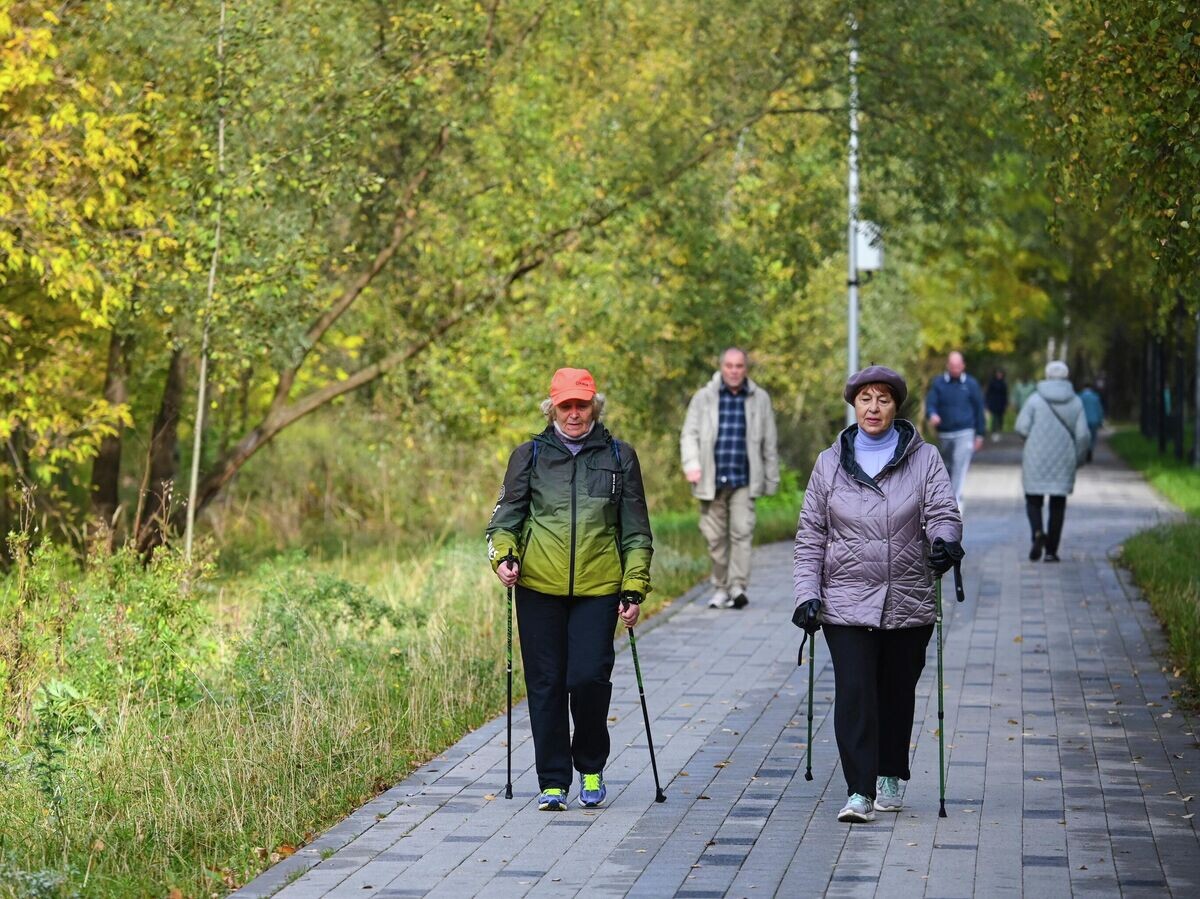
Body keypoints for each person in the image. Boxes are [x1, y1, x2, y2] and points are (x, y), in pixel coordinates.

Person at [793, 365, 963, 823]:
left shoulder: (924, 459)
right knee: (854, 693)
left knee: (896, 691)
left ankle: (890, 770)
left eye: (883, 399)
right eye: (865, 398)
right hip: (844, 601)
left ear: (896, 407)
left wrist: (945, 542)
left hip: (908, 597)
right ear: (854, 405)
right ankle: (859, 790)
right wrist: (806, 594)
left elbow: (944, 511)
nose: (873, 407)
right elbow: (811, 533)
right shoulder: (830, 463)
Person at [486, 368, 653, 811]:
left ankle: (592, 766)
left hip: (599, 587)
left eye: (582, 405)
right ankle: (554, 781)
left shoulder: (620, 456)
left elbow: (636, 532)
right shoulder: (530, 456)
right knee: (545, 684)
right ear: (552, 408)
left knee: (589, 678)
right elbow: (505, 520)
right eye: (566, 406)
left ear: (594, 406)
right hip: (539, 586)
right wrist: (504, 556)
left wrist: (633, 587)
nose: (575, 413)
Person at [680, 347, 780, 609]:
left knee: (741, 533)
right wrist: (691, 464)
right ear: (721, 367)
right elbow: (689, 434)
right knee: (715, 538)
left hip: (744, 479)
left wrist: (771, 479)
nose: (734, 371)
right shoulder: (704, 398)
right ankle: (720, 587)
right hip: (710, 480)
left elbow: (769, 442)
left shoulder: (760, 399)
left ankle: (737, 587)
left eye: (739, 366)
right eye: (729, 366)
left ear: (745, 369)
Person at [1015, 361, 1090, 562]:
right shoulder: (1076, 401)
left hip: (1035, 457)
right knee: (1058, 503)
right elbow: (1083, 435)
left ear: (1047, 376)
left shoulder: (1034, 400)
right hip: (1064, 459)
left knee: (1033, 499)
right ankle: (1051, 551)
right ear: (1066, 377)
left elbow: (1021, 427)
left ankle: (1038, 532)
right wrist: (1079, 459)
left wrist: (1033, 439)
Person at [925, 350, 985, 511]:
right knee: (947, 468)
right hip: (945, 434)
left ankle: (955, 504)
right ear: (947, 366)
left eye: (958, 366)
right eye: (952, 366)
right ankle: (948, 497)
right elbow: (931, 403)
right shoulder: (939, 383)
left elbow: (979, 409)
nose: (955, 369)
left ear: (963, 366)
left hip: (965, 432)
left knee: (960, 464)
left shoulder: (971, 384)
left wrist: (979, 434)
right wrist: (932, 414)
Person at [1078, 383, 1105, 462]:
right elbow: (1099, 409)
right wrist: (1100, 420)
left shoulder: (1079, 397)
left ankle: (1085, 452)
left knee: (1083, 437)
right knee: (1092, 438)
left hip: (1083, 421)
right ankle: (1090, 450)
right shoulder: (1095, 397)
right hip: (1094, 420)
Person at [984, 368, 1009, 440]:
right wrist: (987, 402)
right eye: (998, 373)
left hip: (1001, 403)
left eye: (1000, 374)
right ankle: (994, 432)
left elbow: (1005, 394)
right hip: (994, 403)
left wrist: (1006, 403)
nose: (999, 375)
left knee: (1000, 418)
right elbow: (988, 393)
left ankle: (999, 431)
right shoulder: (992, 382)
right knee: (994, 418)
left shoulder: (1003, 383)